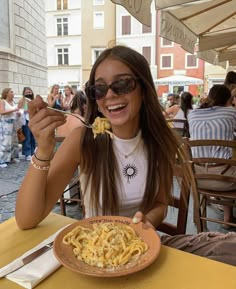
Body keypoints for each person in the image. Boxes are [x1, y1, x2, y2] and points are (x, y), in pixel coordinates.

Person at [15, 46, 236, 266]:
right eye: (99, 89)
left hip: (141, 251)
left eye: (122, 84)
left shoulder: (160, 141)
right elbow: (26, 220)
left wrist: (145, 223)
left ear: (143, 88)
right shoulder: (83, 139)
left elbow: (159, 203)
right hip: (95, 257)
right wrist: (44, 150)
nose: (110, 94)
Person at [188, 84, 236, 225]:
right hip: (226, 179)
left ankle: (220, 216)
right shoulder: (231, 112)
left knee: (224, 162)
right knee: (226, 163)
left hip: (197, 178)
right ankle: (228, 217)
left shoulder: (192, 114)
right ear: (228, 100)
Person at [0, 88, 21, 168]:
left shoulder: (13, 102)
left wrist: (17, 113)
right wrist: (14, 110)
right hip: (6, 125)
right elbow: (2, 112)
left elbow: (14, 112)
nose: (13, 93)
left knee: (13, 141)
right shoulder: (2, 101)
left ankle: (11, 157)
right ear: (6, 93)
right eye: (11, 92)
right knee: (5, 142)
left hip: (13, 124)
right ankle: (2, 160)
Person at [18, 87, 36, 161]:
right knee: (27, 137)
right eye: (27, 92)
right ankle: (27, 153)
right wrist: (26, 108)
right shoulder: (22, 100)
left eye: (29, 92)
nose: (28, 93)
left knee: (33, 137)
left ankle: (32, 152)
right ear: (24, 93)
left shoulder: (33, 100)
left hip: (33, 120)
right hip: (26, 120)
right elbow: (20, 109)